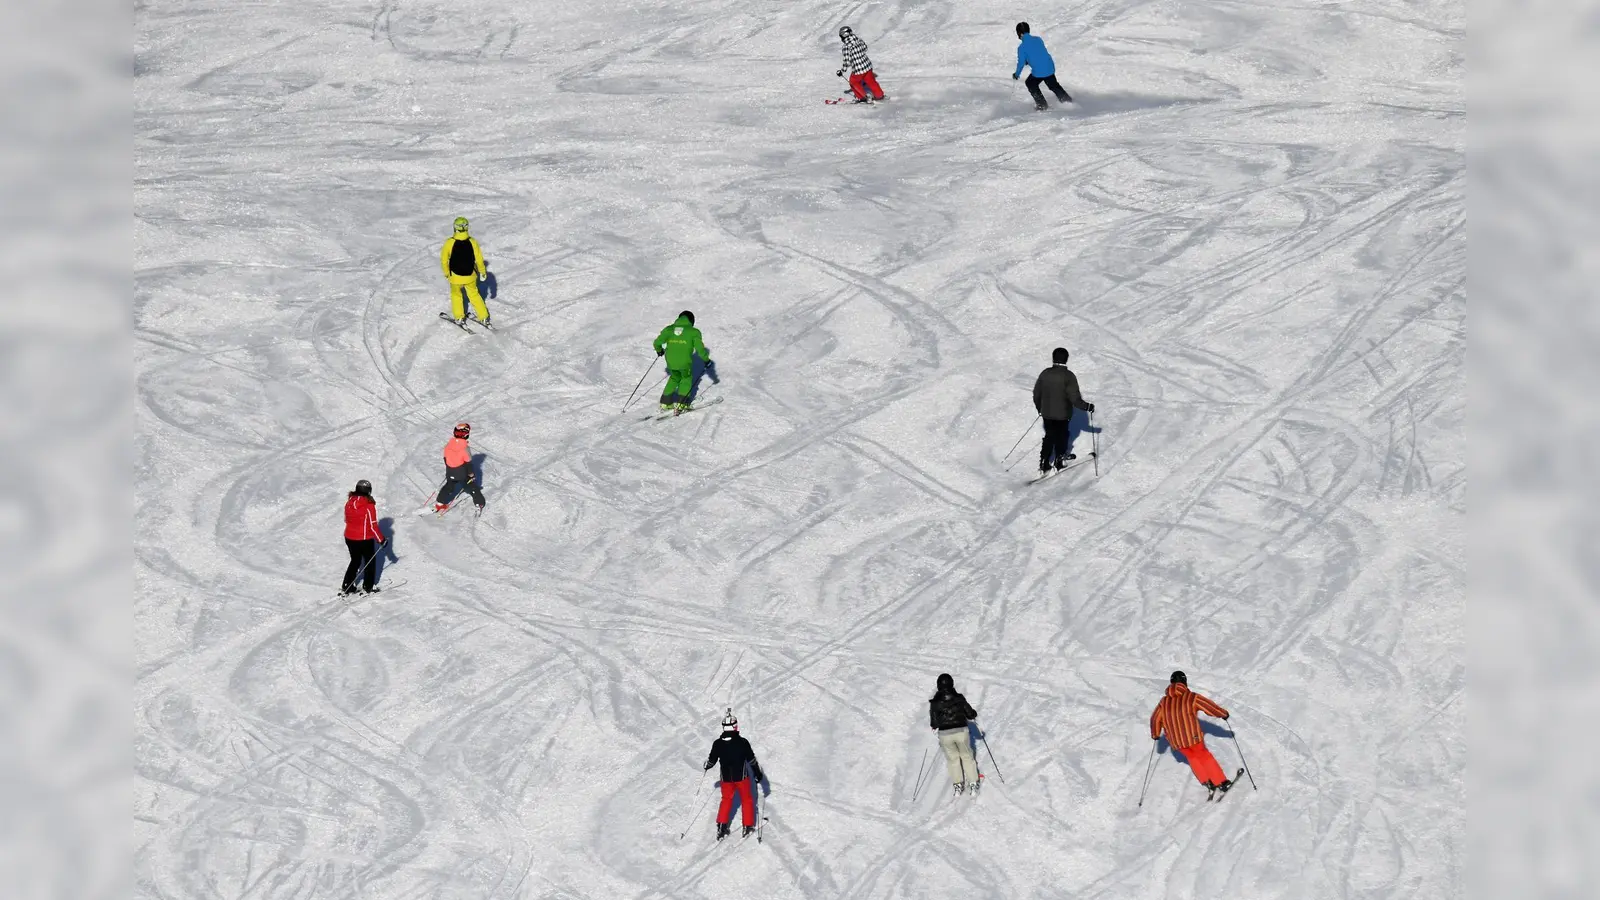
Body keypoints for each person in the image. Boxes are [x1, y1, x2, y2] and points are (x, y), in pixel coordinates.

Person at [1149, 670, 1237, 796]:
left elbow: (1155, 719)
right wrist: (1223, 714)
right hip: (1193, 737)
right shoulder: (1191, 697)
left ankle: (1207, 781)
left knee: (1192, 758)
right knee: (1204, 756)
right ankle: (1221, 782)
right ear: (1184, 682)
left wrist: (1155, 734)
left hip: (1176, 741)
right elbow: (1209, 707)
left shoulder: (1163, 702)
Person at [704, 709, 766, 840]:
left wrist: (707, 765)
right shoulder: (742, 742)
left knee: (726, 800)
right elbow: (752, 760)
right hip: (741, 778)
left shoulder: (717, 743)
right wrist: (758, 774)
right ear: (734, 726)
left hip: (725, 779)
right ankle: (747, 826)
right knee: (747, 799)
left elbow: (711, 761)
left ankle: (721, 827)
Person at [1032, 347, 1095, 474]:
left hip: (1047, 413)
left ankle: (1044, 462)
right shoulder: (1068, 376)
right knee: (1062, 435)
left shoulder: (1045, 373)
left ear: (1053, 358)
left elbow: (1036, 393)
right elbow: (1075, 398)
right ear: (1066, 359)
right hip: (1063, 414)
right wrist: (1087, 407)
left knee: (1049, 435)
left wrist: (1040, 408)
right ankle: (1059, 460)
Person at [928, 673, 982, 795]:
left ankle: (958, 785)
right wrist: (972, 714)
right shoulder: (959, 698)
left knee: (953, 760)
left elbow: (934, 723)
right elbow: (970, 714)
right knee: (967, 757)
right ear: (952, 684)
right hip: (961, 732)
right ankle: (973, 783)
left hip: (945, 735)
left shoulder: (935, 703)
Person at [652, 311, 713, 413]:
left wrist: (659, 350)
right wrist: (707, 361)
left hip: (670, 362)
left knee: (674, 377)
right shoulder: (694, 332)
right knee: (686, 378)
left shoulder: (669, 329)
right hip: (684, 363)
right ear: (692, 321)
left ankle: (665, 402)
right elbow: (700, 349)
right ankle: (681, 404)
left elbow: (656, 343)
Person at [440, 216, 491, 326]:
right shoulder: (472, 242)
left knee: (456, 295)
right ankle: (484, 317)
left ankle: (459, 317)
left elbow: (444, 260)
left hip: (455, 276)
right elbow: (479, 259)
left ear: (455, 228)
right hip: (470, 276)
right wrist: (482, 272)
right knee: (474, 295)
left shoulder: (449, 242)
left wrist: (446, 272)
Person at [1012, 22, 1072, 111]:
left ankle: (1042, 105)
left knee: (1030, 83)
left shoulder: (1021, 48)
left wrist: (1017, 74)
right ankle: (1068, 102)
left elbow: (1021, 63)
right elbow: (1039, 53)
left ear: (1019, 33)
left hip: (1039, 71)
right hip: (1049, 67)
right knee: (1053, 85)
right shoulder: (1038, 39)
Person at [342, 480, 385, 594]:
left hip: (349, 537)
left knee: (355, 560)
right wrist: (381, 540)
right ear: (369, 491)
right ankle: (368, 587)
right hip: (364, 539)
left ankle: (347, 585)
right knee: (369, 561)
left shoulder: (349, 502)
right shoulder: (368, 505)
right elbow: (373, 525)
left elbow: (347, 519)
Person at [433, 422, 486, 514]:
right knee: (472, 487)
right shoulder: (465, 448)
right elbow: (468, 463)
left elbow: (446, 459)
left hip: (450, 471)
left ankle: (440, 502)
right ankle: (479, 503)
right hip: (462, 473)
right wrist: (471, 475)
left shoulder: (448, 445)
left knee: (449, 486)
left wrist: (450, 469)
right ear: (466, 435)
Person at [836, 26, 887, 103]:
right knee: (871, 81)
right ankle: (879, 95)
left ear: (843, 35)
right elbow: (865, 48)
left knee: (853, 82)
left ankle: (863, 97)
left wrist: (842, 71)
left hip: (858, 70)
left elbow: (847, 61)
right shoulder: (858, 40)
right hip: (867, 66)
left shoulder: (846, 47)